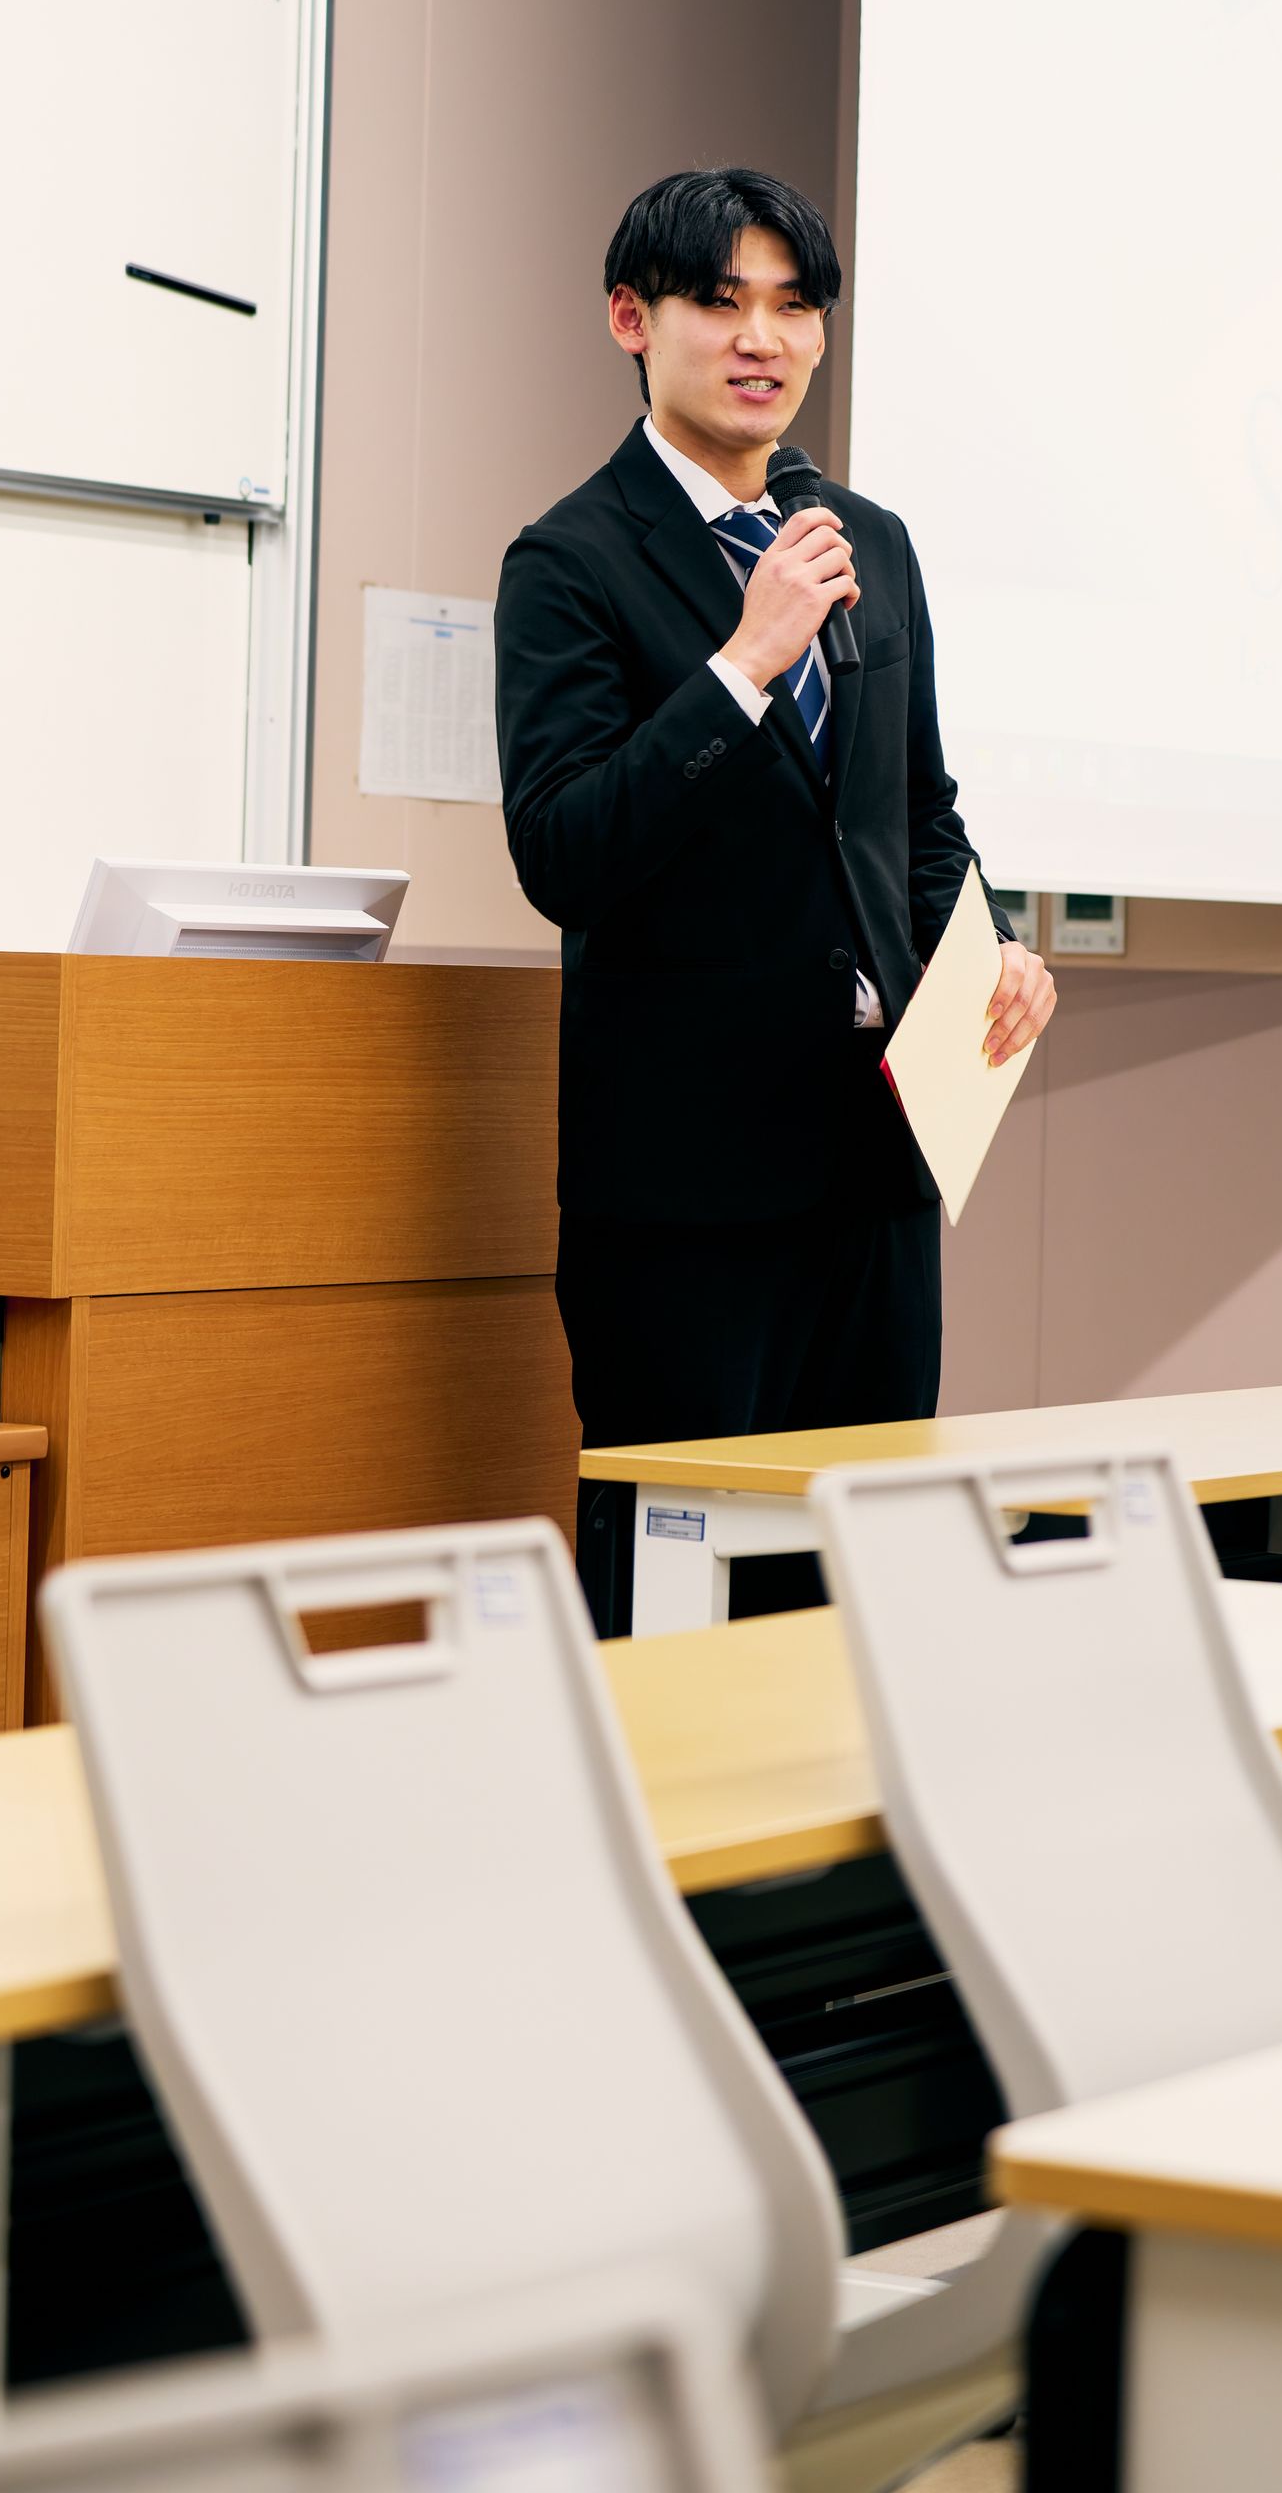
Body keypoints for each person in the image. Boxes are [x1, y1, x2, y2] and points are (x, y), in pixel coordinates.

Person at [495, 166, 1057, 1627]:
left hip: (876, 1159)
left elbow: (914, 816)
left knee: (862, 1579)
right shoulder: (571, 560)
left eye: (795, 307)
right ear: (633, 320)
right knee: (675, 1584)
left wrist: (991, 946)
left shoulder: (867, 539)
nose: (764, 339)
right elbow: (562, 852)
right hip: (688, 1185)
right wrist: (743, 664)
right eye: (720, 302)